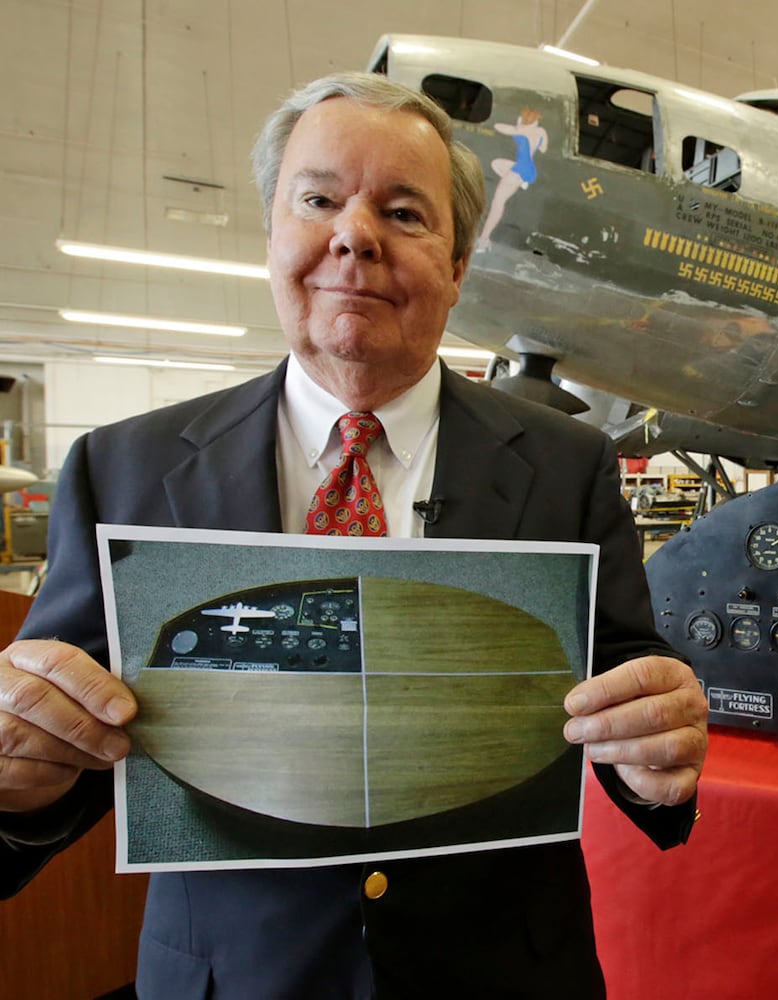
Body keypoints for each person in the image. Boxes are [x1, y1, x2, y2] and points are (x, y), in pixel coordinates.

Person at [0, 72, 706, 997]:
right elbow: (78, 743)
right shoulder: (125, 466)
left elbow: (623, 700)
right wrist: (21, 781)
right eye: (318, 199)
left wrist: (661, 756)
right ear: (272, 234)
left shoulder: (568, 465)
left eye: (404, 213)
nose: (353, 234)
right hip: (233, 974)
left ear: (457, 267)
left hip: (501, 972)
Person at [476, 107, 548, 252]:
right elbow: (544, 149)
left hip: (518, 170)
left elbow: (498, 126)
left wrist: (517, 126)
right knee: (497, 164)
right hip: (528, 169)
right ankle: (522, 182)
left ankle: (483, 239)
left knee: (498, 203)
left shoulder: (520, 130)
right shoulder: (541, 132)